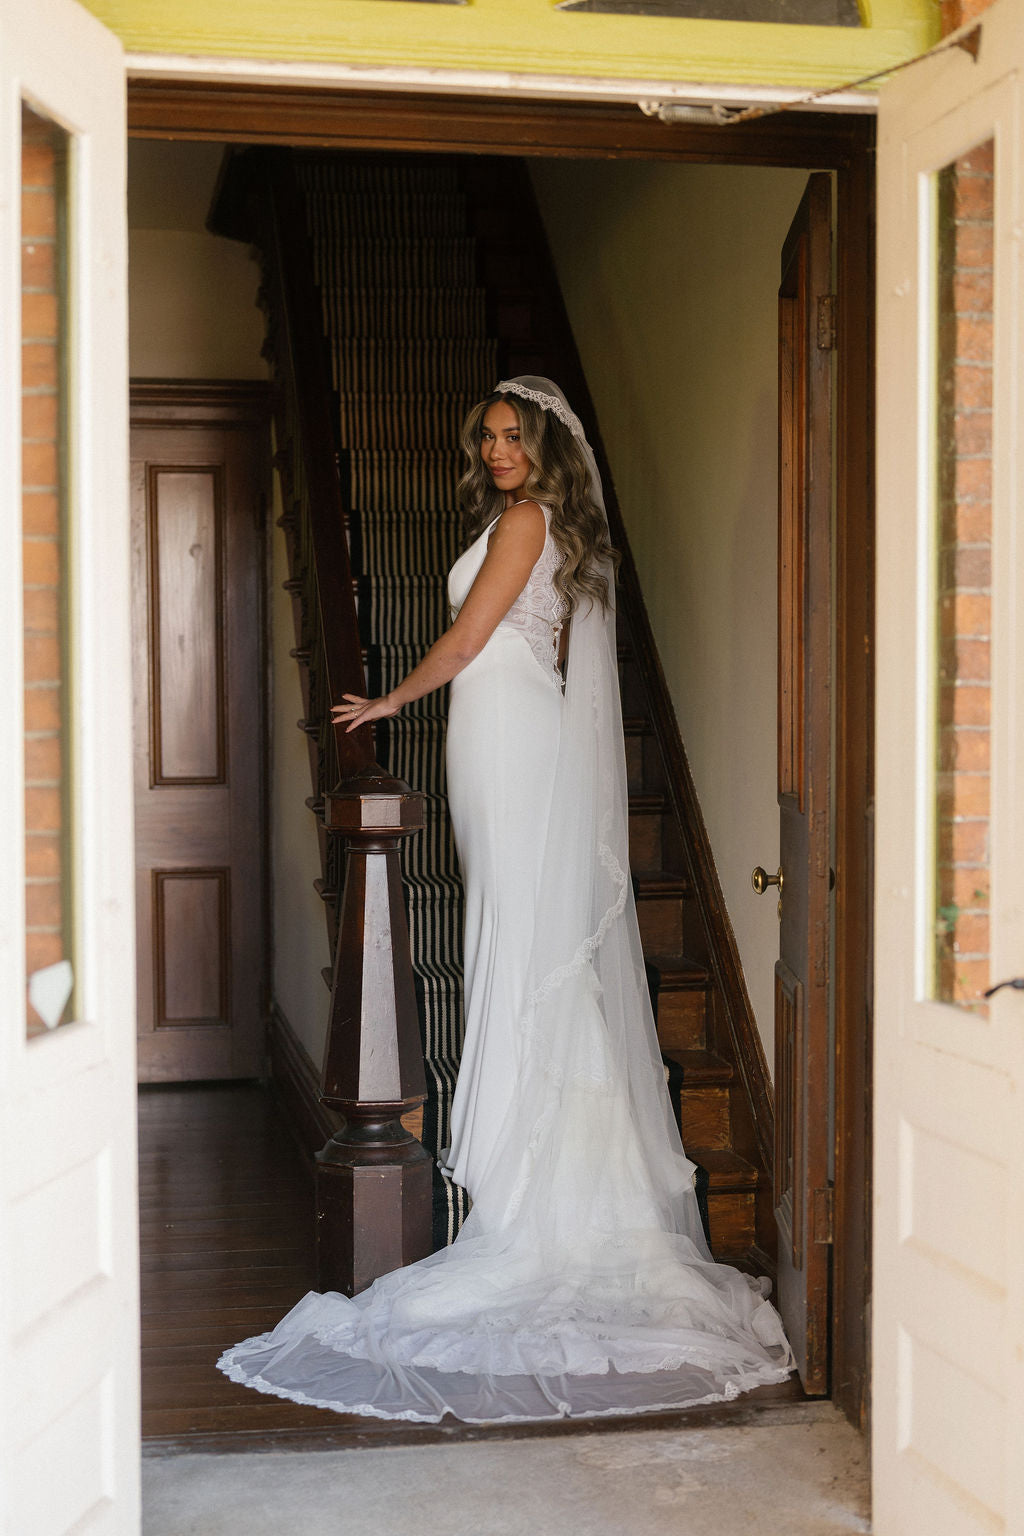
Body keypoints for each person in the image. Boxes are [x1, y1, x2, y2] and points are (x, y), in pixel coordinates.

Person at [218, 377, 794, 1422]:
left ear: (542, 449)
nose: (494, 449)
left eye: (511, 436)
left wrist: (389, 697)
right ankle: (547, 1172)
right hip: (495, 737)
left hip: (510, 732)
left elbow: (475, 638)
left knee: (524, 947)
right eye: (483, 434)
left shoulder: (527, 523)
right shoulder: (516, 519)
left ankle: (555, 1198)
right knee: (514, 940)